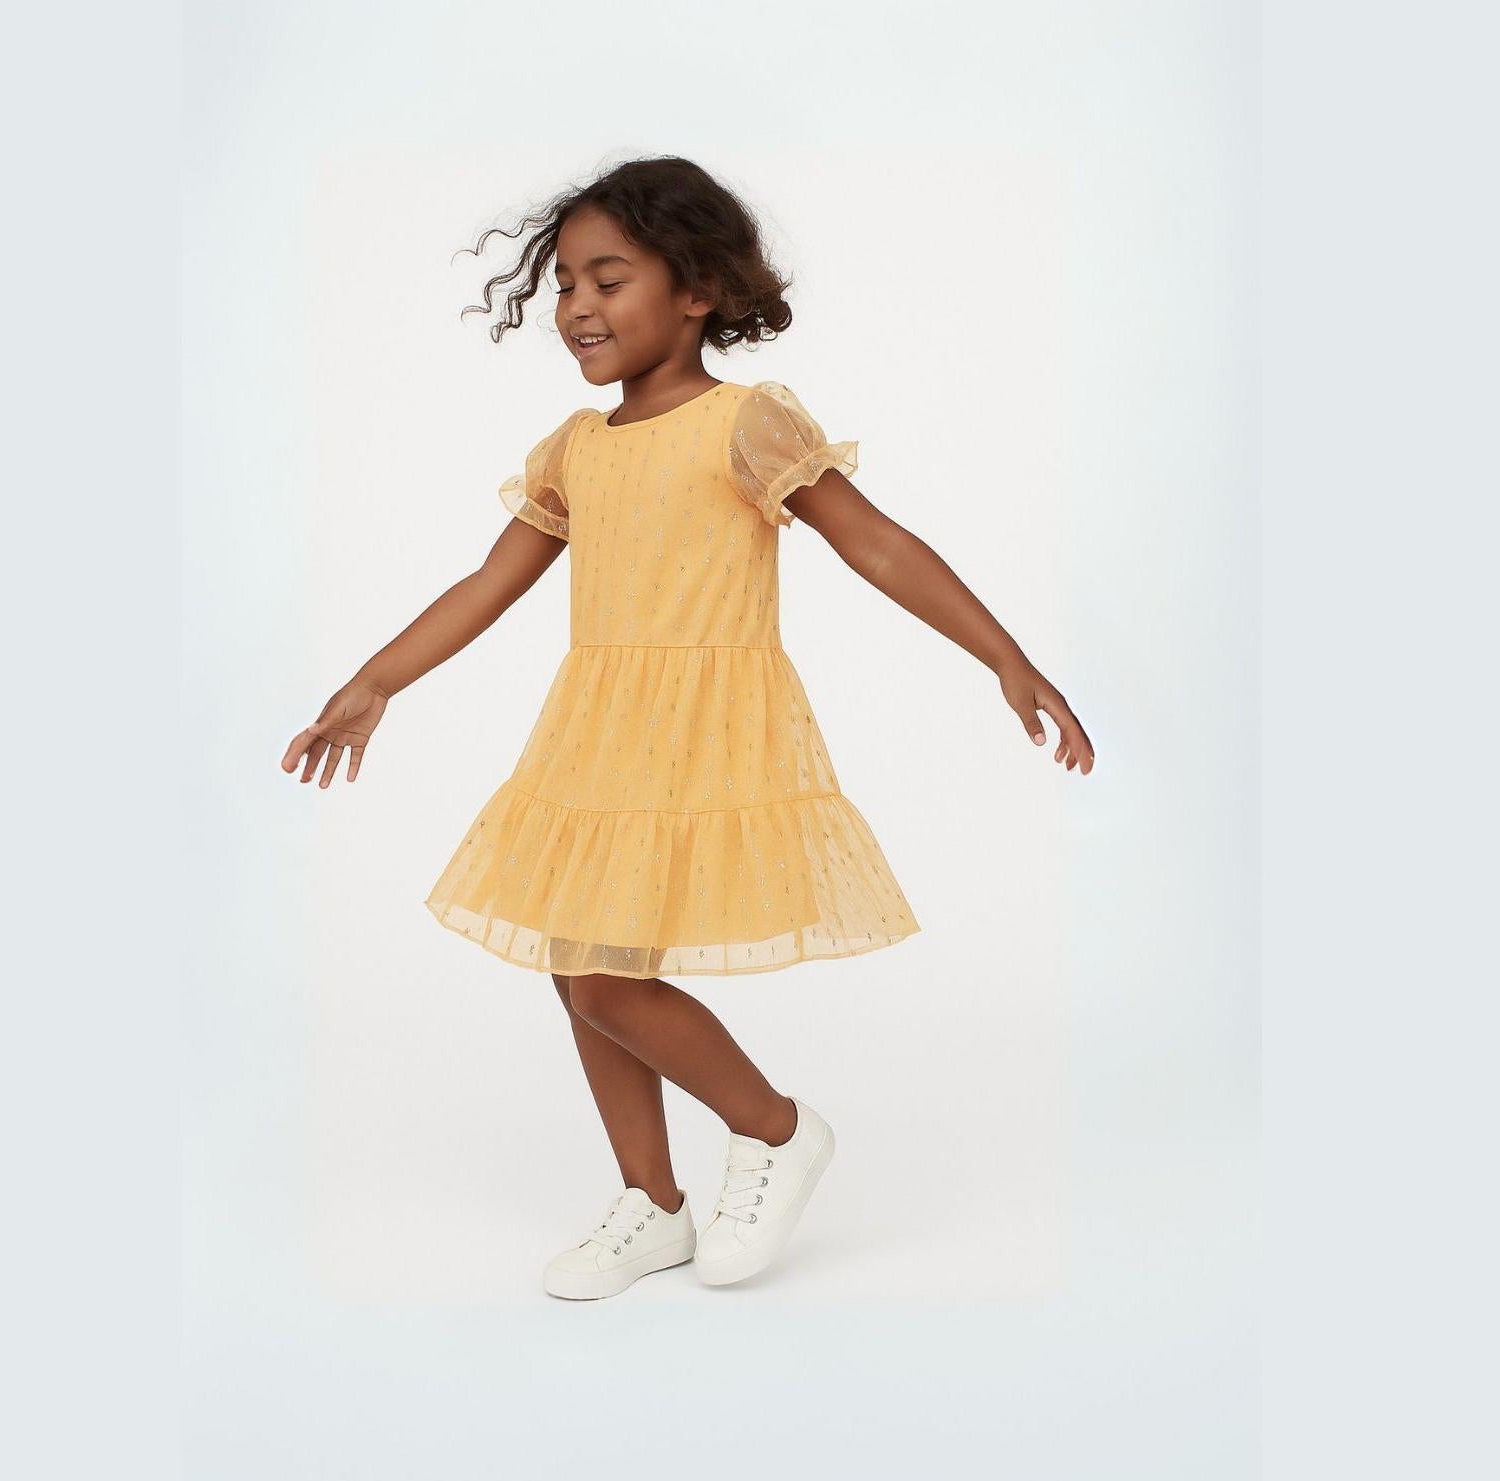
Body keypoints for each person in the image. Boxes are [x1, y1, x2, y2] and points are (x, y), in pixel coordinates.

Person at [281, 154, 1095, 1300]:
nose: (575, 307)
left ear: (699, 289)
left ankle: (771, 1128)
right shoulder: (577, 446)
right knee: (577, 967)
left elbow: (878, 544)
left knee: (612, 981)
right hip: (595, 726)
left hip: (706, 722)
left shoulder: (744, 424)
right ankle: (652, 1202)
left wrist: (1004, 657)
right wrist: (376, 680)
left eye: (607, 279)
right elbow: (484, 581)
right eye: (563, 283)